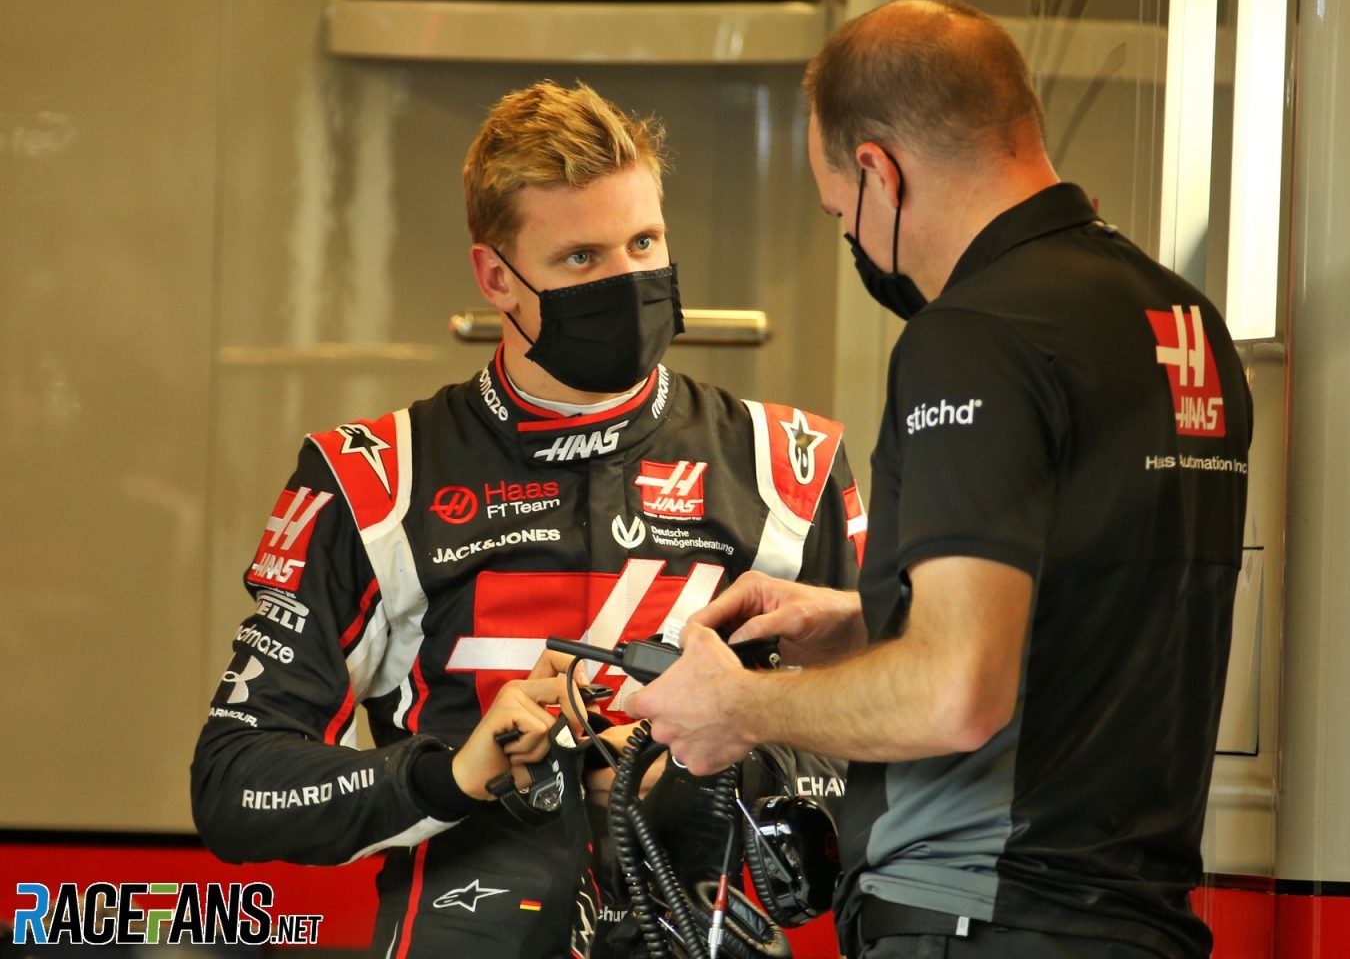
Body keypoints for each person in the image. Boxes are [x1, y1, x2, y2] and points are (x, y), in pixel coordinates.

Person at [630, 0, 1253, 959]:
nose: (851, 238)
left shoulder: (972, 336)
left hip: (979, 915)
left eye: (840, 213)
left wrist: (736, 708)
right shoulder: (1180, 320)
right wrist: (864, 619)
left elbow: (959, 694)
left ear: (878, 170)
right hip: (1136, 920)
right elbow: (1081, 613)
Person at [190, 80, 862, 959]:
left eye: (644, 242)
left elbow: (891, 737)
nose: (626, 279)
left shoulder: (790, 467)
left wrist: (719, 760)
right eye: (581, 258)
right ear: (496, 278)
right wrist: (451, 774)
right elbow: (236, 784)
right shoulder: (372, 479)